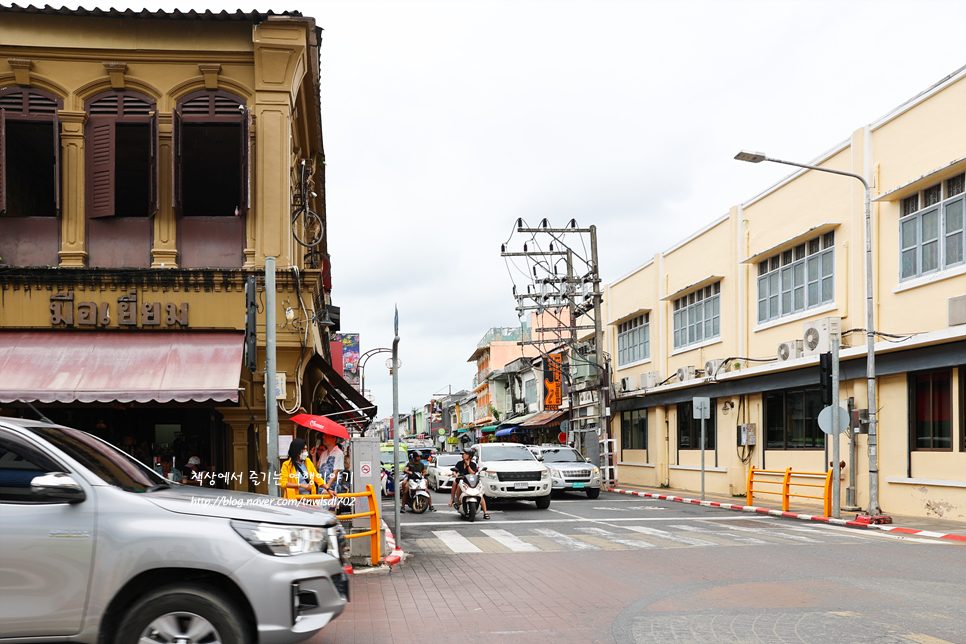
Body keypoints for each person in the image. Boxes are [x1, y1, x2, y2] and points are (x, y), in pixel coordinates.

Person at [449, 449, 489, 519]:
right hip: (461, 480)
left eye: (465, 454)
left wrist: (468, 465)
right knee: (456, 484)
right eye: (463, 454)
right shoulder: (459, 463)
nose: (463, 455)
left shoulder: (473, 464)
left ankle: (485, 513)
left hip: (471, 481)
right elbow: (454, 470)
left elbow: (472, 473)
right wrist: (455, 474)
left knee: (480, 494)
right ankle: (455, 501)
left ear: (470, 456)